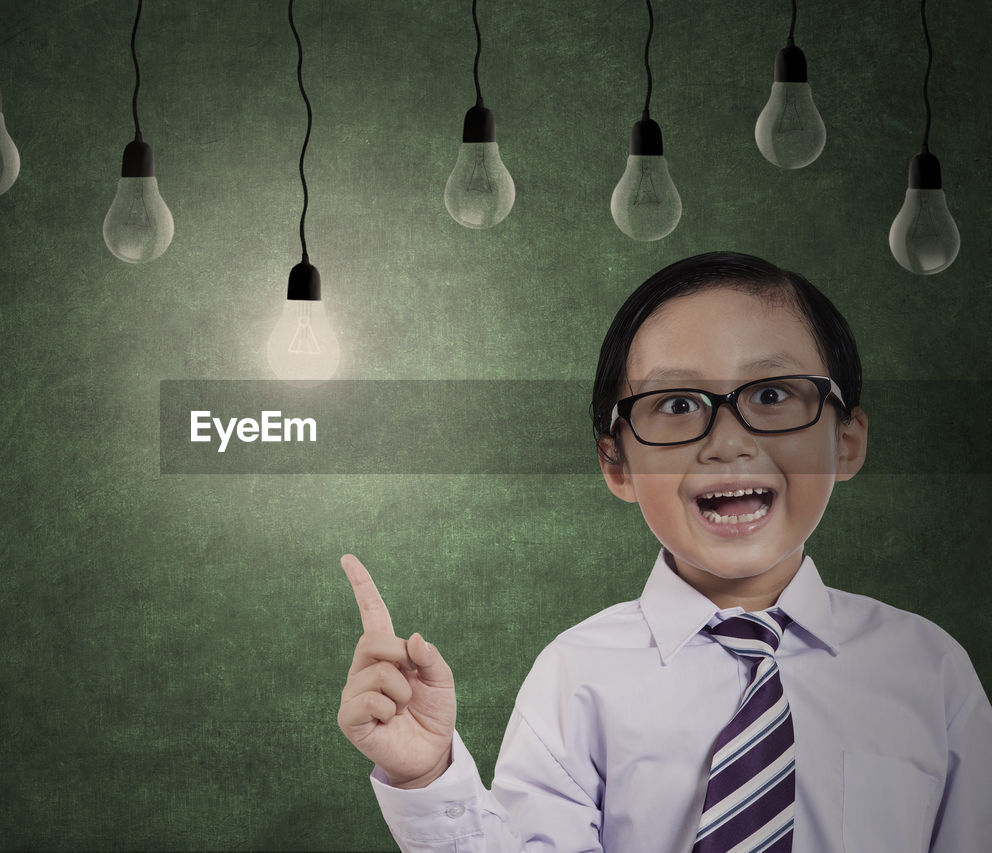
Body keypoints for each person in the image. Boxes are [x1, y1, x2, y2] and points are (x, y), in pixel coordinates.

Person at [337, 252, 992, 852]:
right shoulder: (576, 675)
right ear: (616, 464)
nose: (730, 442)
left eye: (771, 395)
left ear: (846, 439)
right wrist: (426, 775)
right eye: (677, 403)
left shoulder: (929, 671)